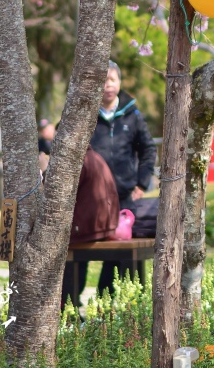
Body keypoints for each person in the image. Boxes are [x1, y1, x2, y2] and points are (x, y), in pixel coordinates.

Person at [89, 61, 156, 294]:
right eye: (103, 80)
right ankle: (71, 306)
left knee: (125, 252)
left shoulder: (132, 115)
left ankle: (120, 303)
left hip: (125, 196)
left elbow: (148, 150)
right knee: (83, 250)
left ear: (119, 82)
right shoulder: (85, 114)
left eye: (112, 79)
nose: (108, 85)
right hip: (91, 198)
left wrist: (141, 183)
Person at [61, 146, 119, 309]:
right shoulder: (94, 156)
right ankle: (80, 300)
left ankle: (67, 305)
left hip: (88, 227)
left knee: (64, 250)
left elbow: (57, 190)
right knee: (76, 256)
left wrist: (45, 170)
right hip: (105, 225)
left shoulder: (79, 160)